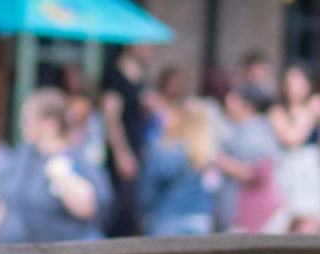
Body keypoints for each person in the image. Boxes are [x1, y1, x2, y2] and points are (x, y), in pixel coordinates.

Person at [0, 87, 112, 243]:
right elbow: (2, 204)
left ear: (50, 124)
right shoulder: (22, 156)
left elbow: (89, 208)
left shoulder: (77, 161)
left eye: (27, 120)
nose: (21, 125)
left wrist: (62, 176)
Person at [137, 98, 219, 236]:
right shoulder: (208, 155)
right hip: (200, 222)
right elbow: (214, 190)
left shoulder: (164, 151)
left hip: (167, 221)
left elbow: (146, 193)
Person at [215, 84, 287, 234]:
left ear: (248, 107)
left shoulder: (256, 133)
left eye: (235, 100)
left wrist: (225, 163)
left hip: (257, 216)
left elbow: (259, 172)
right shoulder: (243, 131)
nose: (229, 104)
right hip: (247, 214)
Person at [101, 44, 151, 237]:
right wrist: (122, 153)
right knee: (121, 208)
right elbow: (111, 117)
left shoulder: (139, 74)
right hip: (122, 151)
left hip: (136, 147)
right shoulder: (115, 76)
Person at [268, 65, 320, 233]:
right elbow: (292, 139)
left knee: (309, 219)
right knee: (285, 220)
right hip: (289, 169)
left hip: (310, 169)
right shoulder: (278, 111)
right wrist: (309, 112)